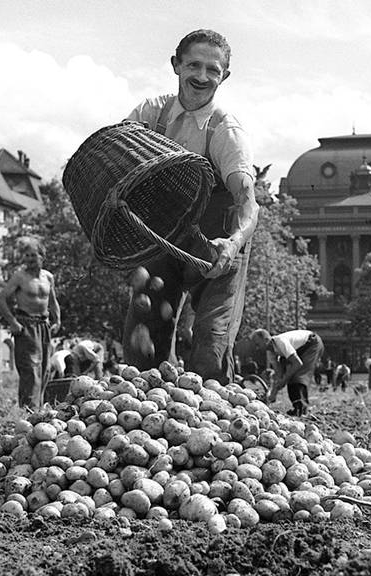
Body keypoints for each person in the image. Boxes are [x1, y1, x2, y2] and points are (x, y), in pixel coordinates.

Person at [122, 29, 257, 385]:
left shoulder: (225, 131)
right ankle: (146, 423)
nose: (202, 76)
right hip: (163, 234)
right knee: (142, 345)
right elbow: (117, 161)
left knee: (210, 347)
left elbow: (247, 201)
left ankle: (214, 429)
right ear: (175, 65)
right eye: (193, 65)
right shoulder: (151, 114)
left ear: (224, 76)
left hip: (217, 243)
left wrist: (233, 243)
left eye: (213, 69)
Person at [0, 237, 61, 409]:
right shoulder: (19, 277)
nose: (29, 259)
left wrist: (57, 320)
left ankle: (39, 410)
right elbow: (2, 300)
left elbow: (52, 301)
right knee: (31, 370)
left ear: (42, 256)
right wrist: (12, 322)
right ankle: (27, 411)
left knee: (45, 369)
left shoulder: (48, 277)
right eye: (26, 256)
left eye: (33, 255)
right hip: (26, 325)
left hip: (44, 325)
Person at [250, 328, 323, 416]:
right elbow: (279, 373)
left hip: (311, 343)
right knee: (289, 374)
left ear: (265, 340)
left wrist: (284, 380)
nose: (257, 348)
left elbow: (297, 363)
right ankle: (297, 407)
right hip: (298, 349)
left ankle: (301, 408)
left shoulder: (280, 342)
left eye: (258, 344)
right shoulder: (270, 352)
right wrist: (273, 393)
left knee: (298, 376)